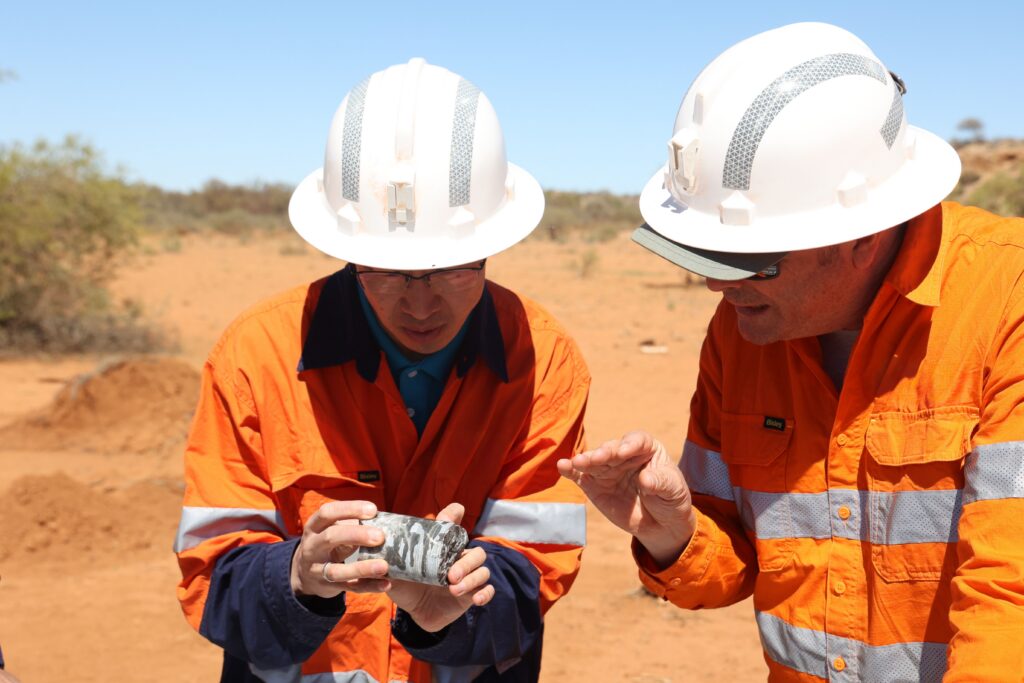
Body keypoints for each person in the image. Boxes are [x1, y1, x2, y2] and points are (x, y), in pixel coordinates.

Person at [559, 22, 1024, 682]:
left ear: (866, 233)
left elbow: (1009, 607)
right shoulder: (743, 331)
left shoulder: (1006, 301)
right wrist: (672, 532)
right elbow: (732, 567)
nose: (718, 282)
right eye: (704, 255)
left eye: (748, 258)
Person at [175, 58, 590, 683]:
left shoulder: (543, 358)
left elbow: (537, 569)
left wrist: (448, 615)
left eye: (452, 269)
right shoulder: (256, 354)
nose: (420, 304)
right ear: (347, 254)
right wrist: (296, 579)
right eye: (388, 272)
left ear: (491, 247)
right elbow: (211, 579)